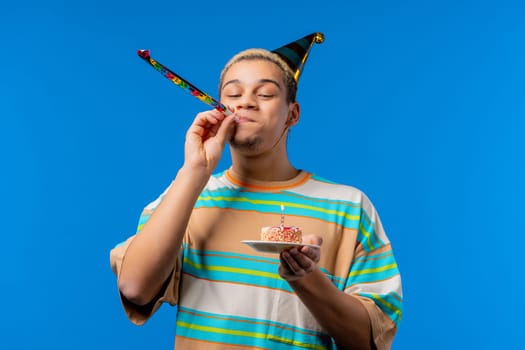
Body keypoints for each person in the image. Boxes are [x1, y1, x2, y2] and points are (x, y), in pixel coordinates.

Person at [110, 32, 403, 350]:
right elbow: (135, 287)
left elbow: (368, 341)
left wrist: (306, 278)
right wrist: (195, 170)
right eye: (232, 94)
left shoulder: (348, 206)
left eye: (264, 94)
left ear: (292, 114)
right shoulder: (184, 196)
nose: (245, 102)